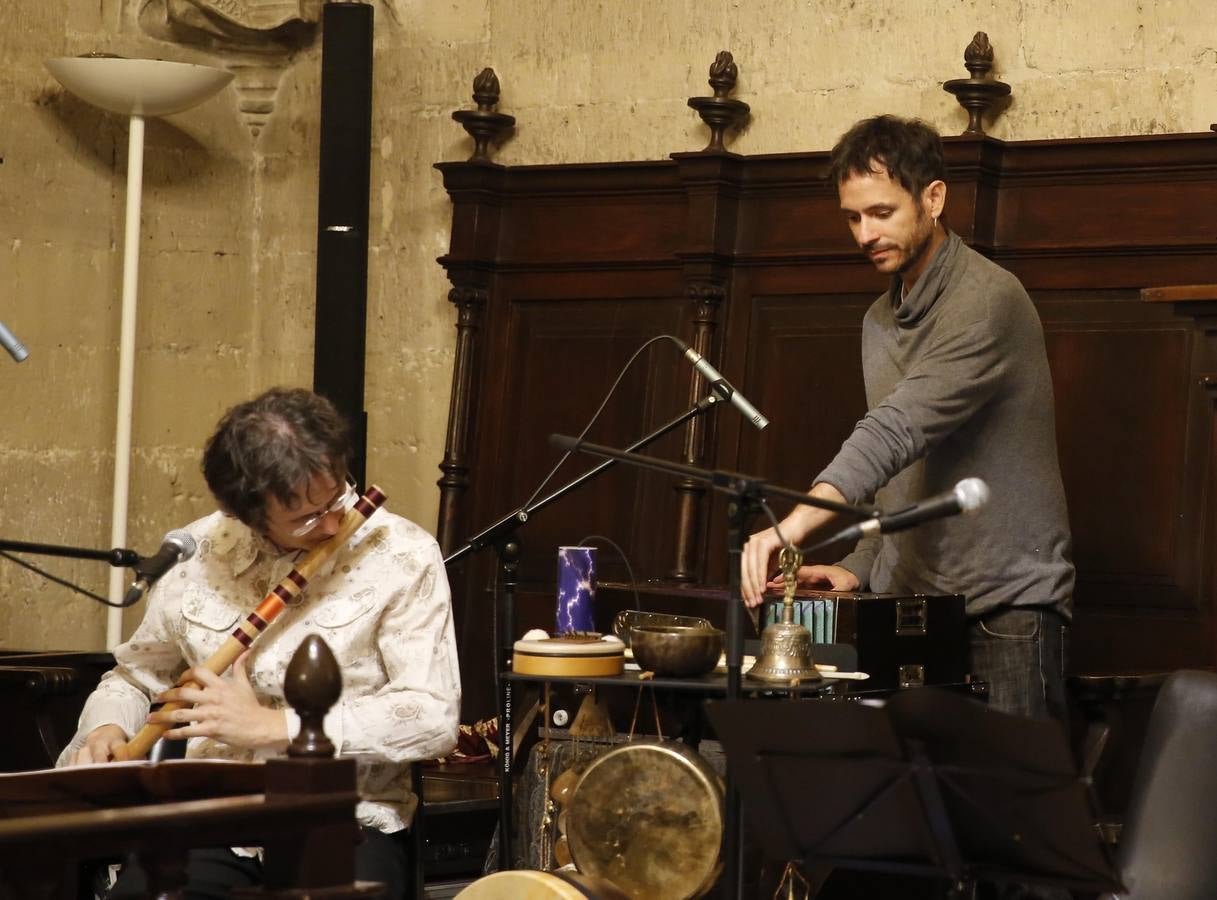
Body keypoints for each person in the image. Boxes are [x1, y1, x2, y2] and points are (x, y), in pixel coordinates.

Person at [58, 387, 461, 899]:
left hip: (347, 815)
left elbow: (432, 715)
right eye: (307, 518)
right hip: (211, 815)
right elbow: (138, 675)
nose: (335, 521)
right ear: (247, 515)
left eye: (338, 494)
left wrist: (275, 728)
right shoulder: (200, 551)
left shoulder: (402, 554)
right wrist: (108, 726)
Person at [741, 115, 1074, 722]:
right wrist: (857, 571)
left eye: (882, 212)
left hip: (1006, 610)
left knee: (1011, 812)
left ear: (934, 198)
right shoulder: (878, 321)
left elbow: (895, 429)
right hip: (912, 608)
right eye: (852, 217)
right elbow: (899, 471)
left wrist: (788, 529)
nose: (865, 233)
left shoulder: (989, 300)